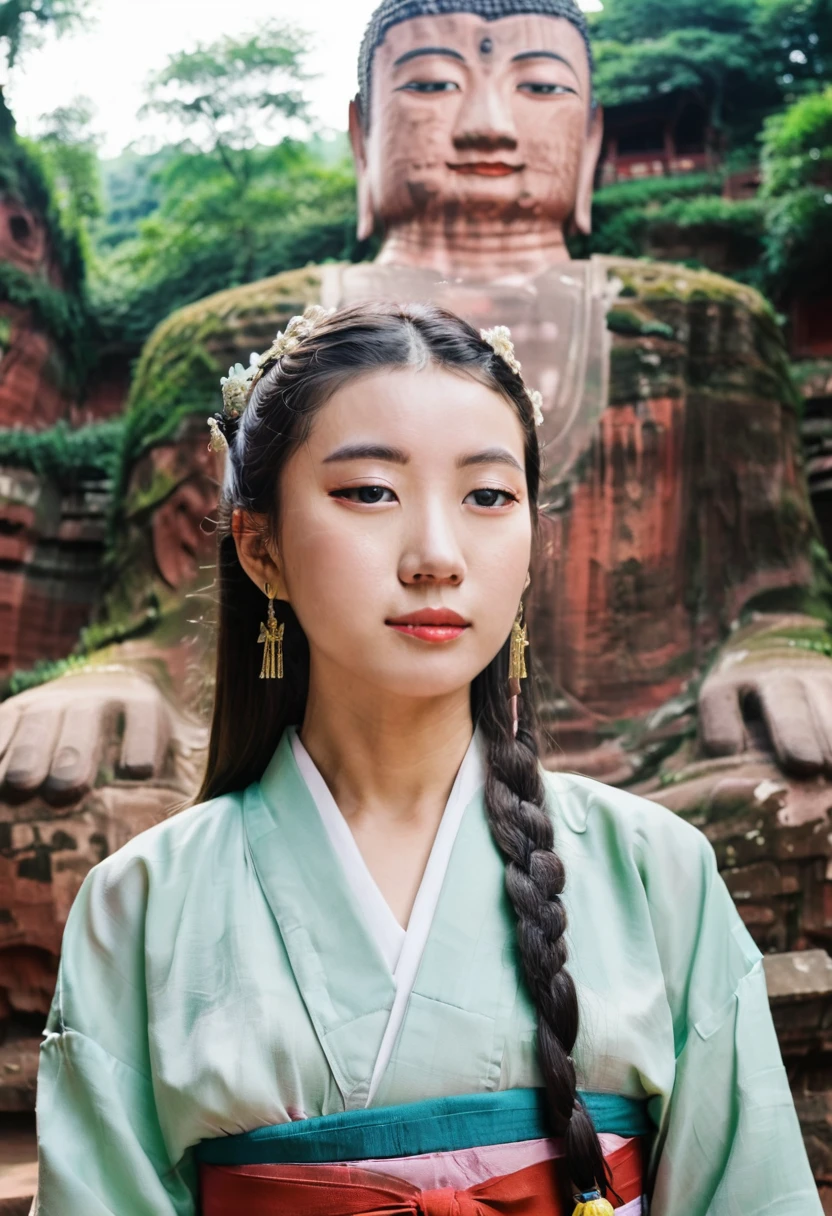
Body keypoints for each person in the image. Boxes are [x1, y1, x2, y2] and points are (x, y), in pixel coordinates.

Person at [33, 302, 820, 1215]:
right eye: (370, 491)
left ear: (532, 545)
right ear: (261, 548)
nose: (437, 556)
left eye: (488, 496)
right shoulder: (138, 907)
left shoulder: (658, 873)